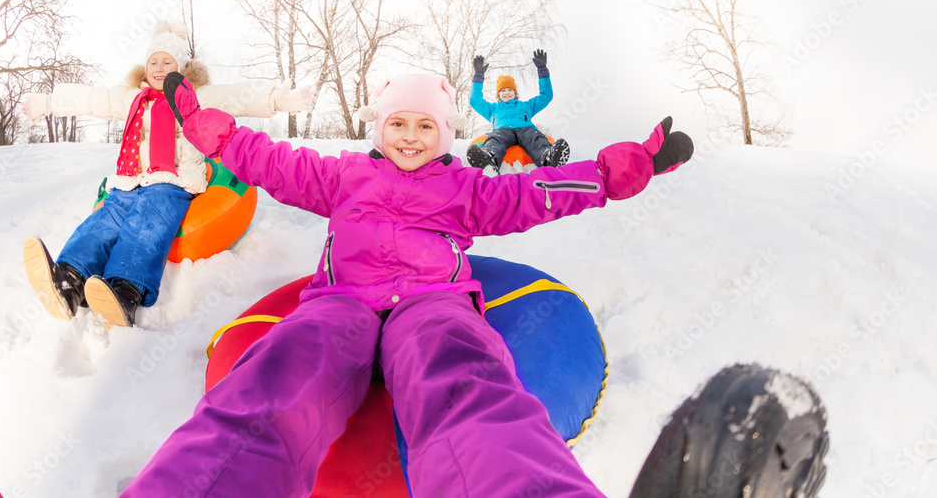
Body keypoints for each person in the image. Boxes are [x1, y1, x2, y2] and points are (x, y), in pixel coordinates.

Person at [120, 71, 694, 496]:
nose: (411, 136)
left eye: (426, 125)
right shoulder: (343, 175)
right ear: (380, 128)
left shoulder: (466, 190)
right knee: (277, 379)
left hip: (431, 305)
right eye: (398, 123)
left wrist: (615, 173)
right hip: (340, 305)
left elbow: (536, 192)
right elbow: (268, 160)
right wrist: (202, 126)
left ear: (444, 135)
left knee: (465, 380)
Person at [19, 21, 312, 329]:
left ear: (181, 67)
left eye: (167, 62)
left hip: (172, 182)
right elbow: (93, 99)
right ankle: (69, 280)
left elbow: (235, 96)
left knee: (148, 220)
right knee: (105, 219)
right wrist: (49, 102)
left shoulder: (194, 96)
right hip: (130, 180)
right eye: (153, 62)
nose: (159, 68)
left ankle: (124, 290)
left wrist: (277, 99)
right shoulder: (133, 98)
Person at [467, 48, 569, 170]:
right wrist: (478, 76)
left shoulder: (526, 106)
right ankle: (489, 160)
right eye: (503, 90)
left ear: (515, 92)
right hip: (502, 130)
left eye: (510, 90)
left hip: (525, 129)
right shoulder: (493, 108)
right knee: (495, 139)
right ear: (498, 94)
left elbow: (546, 96)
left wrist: (542, 70)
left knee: (534, 137)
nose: (507, 93)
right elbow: (475, 101)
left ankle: (548, 157)